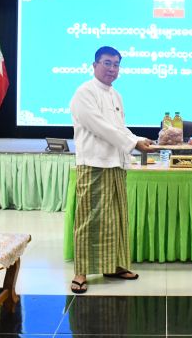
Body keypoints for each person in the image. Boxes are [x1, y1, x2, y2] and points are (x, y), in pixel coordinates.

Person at [69, 45, 153, 294]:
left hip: (115, 163)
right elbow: (100, 126)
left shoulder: (116, 95)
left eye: (116, 64)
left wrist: (137, 139)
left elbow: (119, 128)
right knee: (89, 219)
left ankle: (113, 265)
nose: (112, 69)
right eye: (107, 63)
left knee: (115, 218)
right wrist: (133, 143)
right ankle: (81, 272)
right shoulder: (84, 92)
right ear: (94, 65)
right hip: (93, 164)